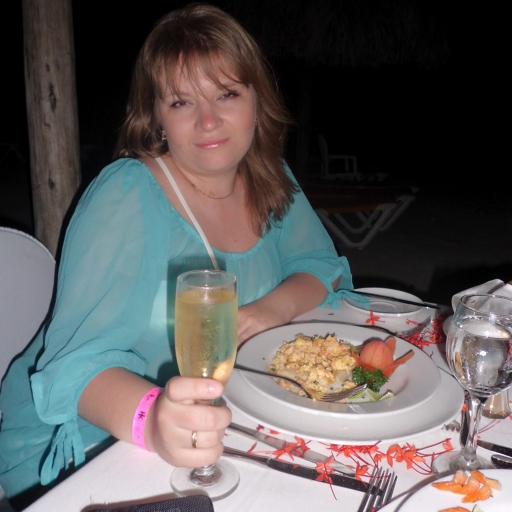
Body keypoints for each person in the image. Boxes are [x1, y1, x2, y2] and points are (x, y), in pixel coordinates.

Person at [0, 3, 353, 505]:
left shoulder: (270, 177)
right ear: (158, 118)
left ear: (257, 101)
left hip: (226, 417)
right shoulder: (127, 195)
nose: (208, 121)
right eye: (182, 102)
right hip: (86, 443)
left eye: (227, 94)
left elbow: (320, 267)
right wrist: (153, 422)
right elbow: (73, 367)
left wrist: (267, 311)